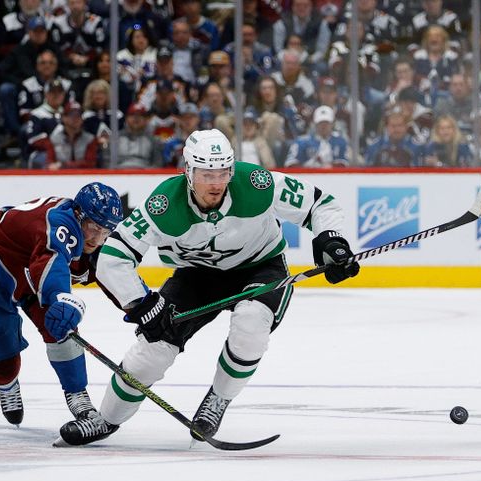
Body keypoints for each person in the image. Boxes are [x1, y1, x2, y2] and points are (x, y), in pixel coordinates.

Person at [56, 129, 360, 445]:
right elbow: (113, 257)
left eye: (223, 172)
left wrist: (332, 241)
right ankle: (105, 420)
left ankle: (218, 399)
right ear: (189, 171)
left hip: (260, 266)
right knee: (153, 350)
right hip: (195, 276)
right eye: (206, 174)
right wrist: (141, 303)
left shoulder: (256, 183)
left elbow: (319, 204)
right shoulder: (164, 205)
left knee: (251, 324)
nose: (216, 182)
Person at [0, 182, 123, 430]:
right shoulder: (61, 225)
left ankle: (78, 396)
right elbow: (52, 262)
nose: (97, 239)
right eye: (94, 228)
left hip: (31, 275)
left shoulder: (88, 236)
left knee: (60, 327)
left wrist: (140, 308)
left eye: (105, 231)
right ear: (78, 214)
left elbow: (113, 275)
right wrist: (59, 296)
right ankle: (8, 386)